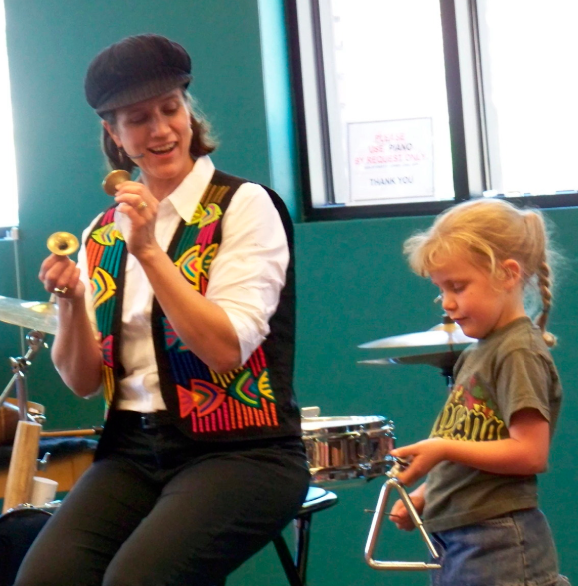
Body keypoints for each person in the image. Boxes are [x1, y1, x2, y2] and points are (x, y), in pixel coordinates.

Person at [17, 33, 310, 586]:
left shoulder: (243, 206)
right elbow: (81, 381)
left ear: (188, 111)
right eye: (137, 119)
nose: (159, 130)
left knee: (138, 580)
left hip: (242, 454)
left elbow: (225, 349)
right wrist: (74, 302)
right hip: (132, 451)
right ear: (114, 134)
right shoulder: (100, 233)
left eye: (170, 109)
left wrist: (149, 250)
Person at [388, 198, 570, 586]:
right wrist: (428, 494)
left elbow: (529, 452)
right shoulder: (480, 350)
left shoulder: (517, 350)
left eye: (458, 286)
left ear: (507, 274)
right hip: (458, 537)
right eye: (441, 290)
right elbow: (473, 440)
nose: (448, 303)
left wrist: (441, 449)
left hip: (497, 541)